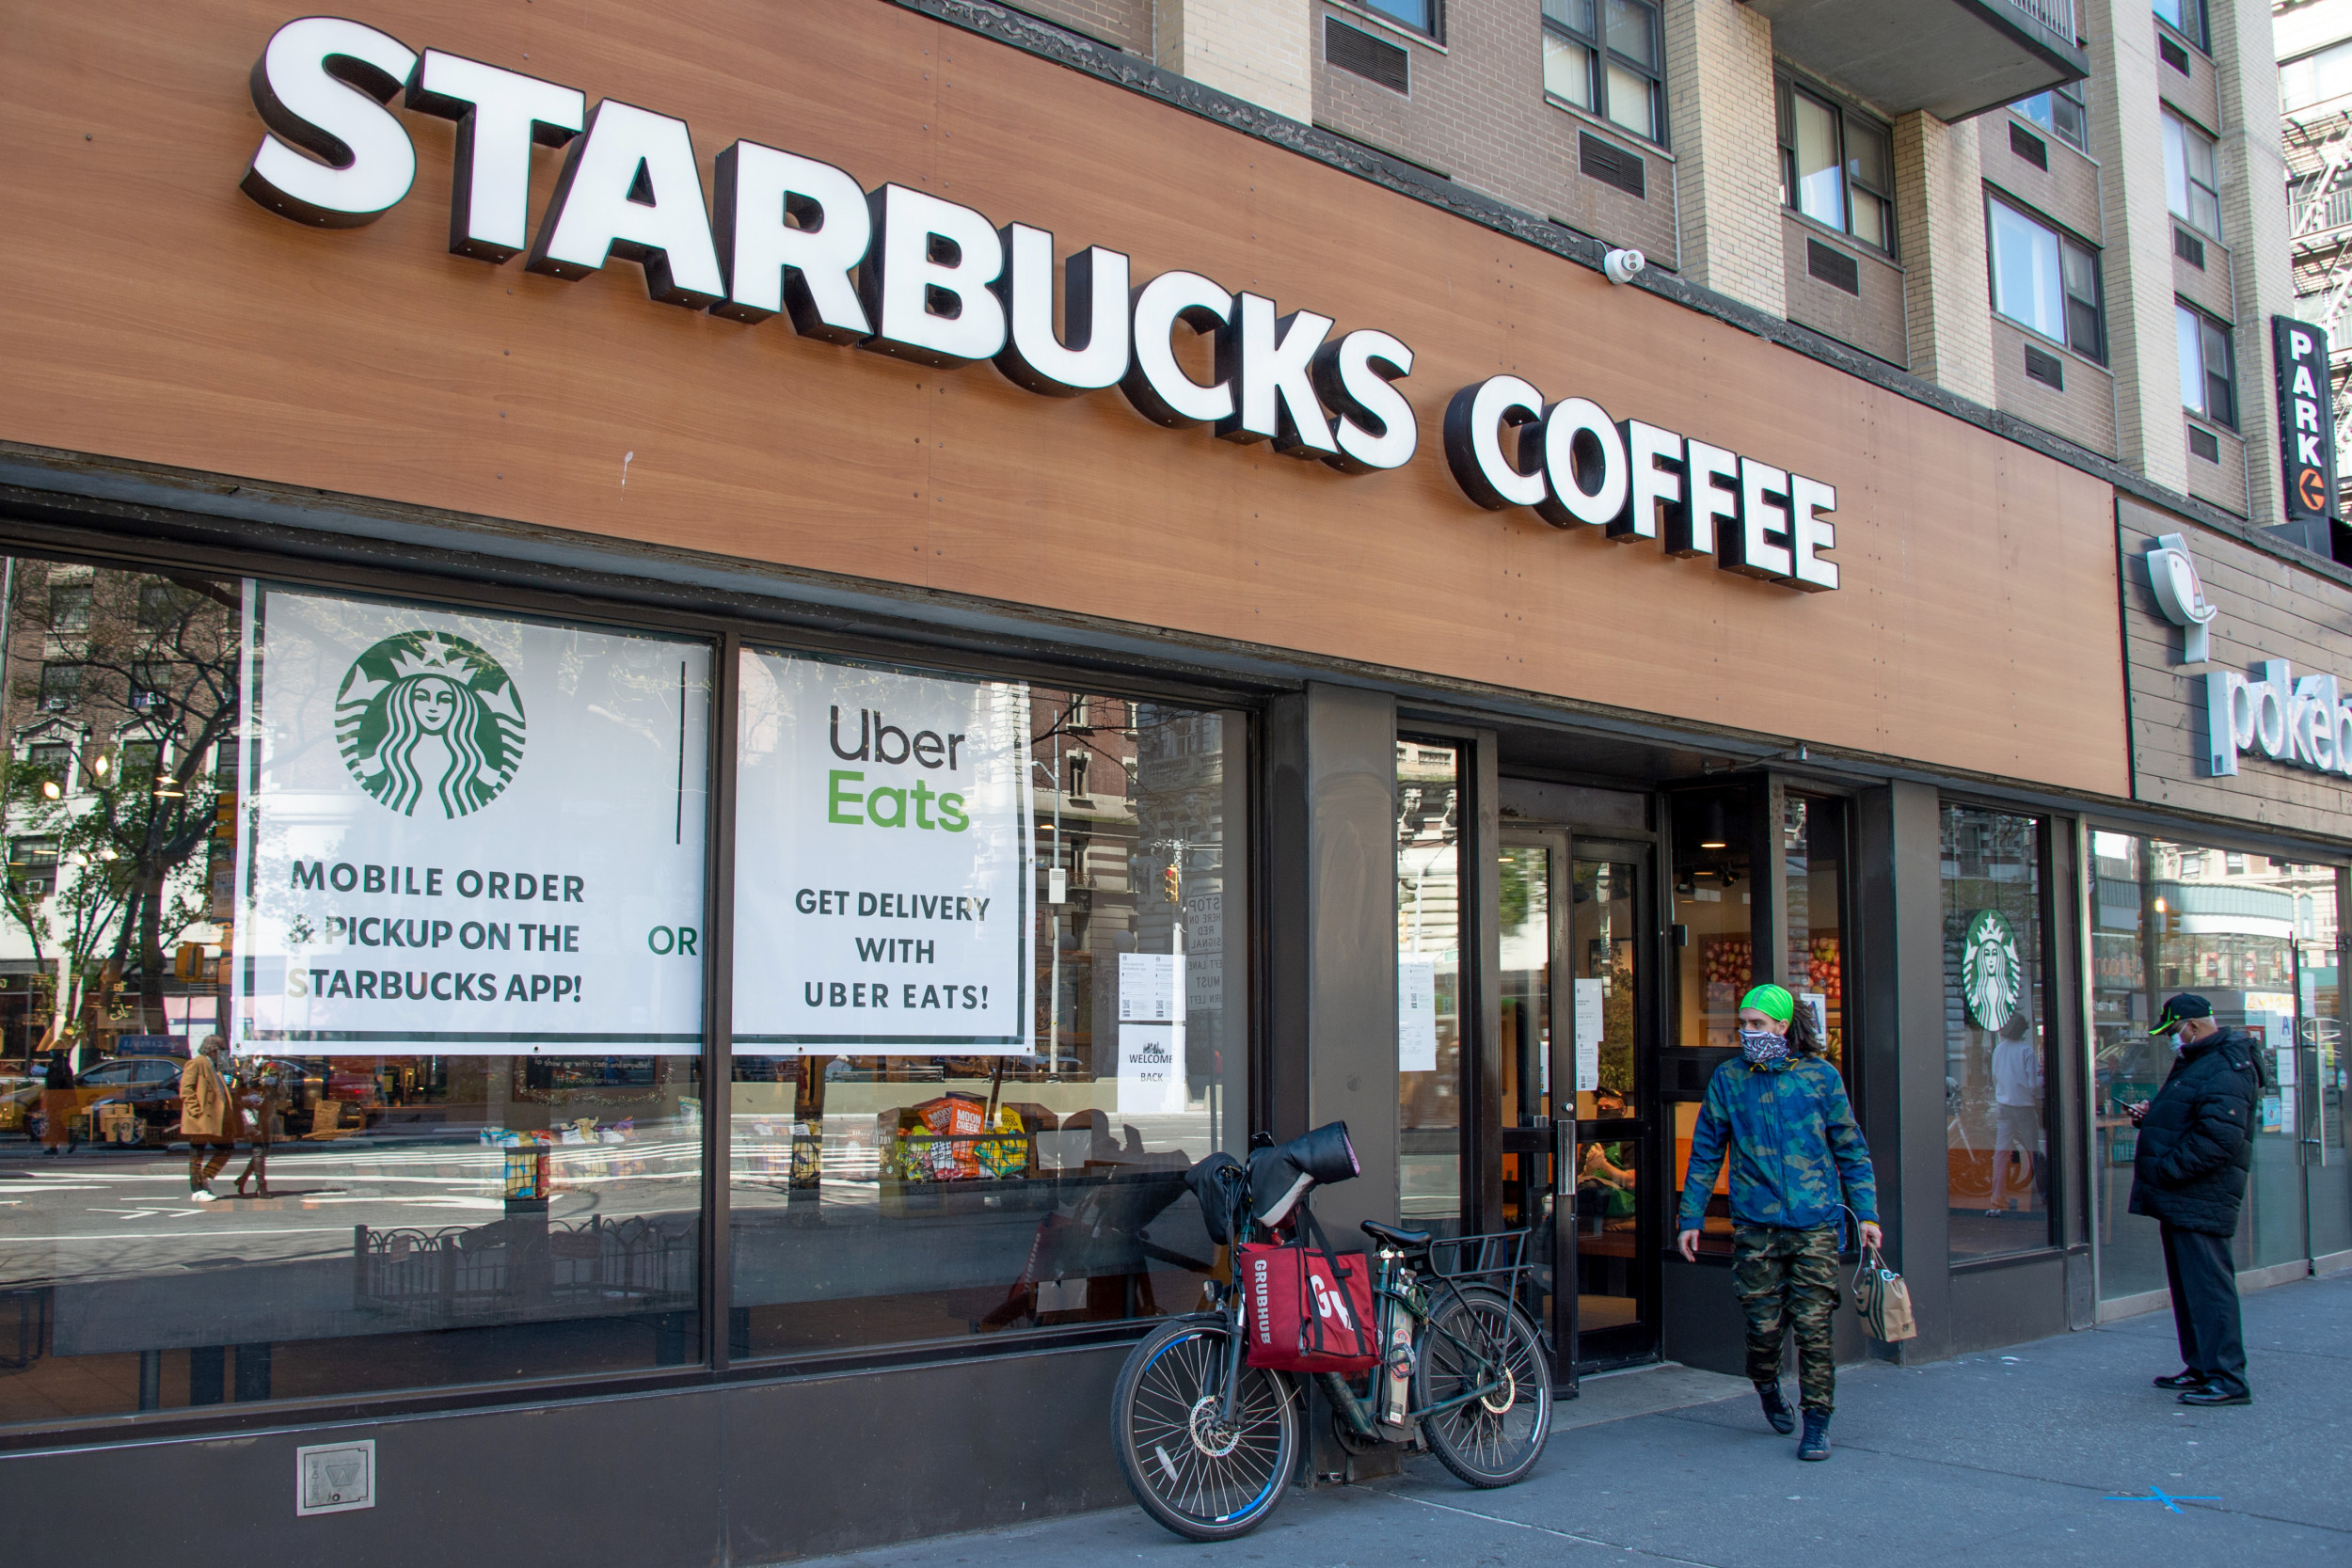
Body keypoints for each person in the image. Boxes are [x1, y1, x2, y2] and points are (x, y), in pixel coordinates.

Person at [1677, 984, 1880, 1462]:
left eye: (1757, 1025)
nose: (1747, 1033)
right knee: (1763, 1329)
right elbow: (1706, 1151)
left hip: (1815, 1225)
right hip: (1756, 1226)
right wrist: (1692, 1217)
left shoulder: (1821, 1078)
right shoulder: (1729, 1079)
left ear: (1783, 1027)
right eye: (1743, 1024)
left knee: (1813, 1328)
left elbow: (1851, 1149)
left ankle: (1817, 1424)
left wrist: (1867, 1213)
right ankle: (1766, 1385)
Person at [2127, 993, 2262, 1407]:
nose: (2172, 1039)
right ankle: (2202, 1366)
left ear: (2195, 1025)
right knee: (2189, 1287)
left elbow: (2220, 1138)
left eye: (2173, 1031)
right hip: (2185, 1195)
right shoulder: (2199, 1061)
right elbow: (2194, 1116)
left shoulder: (2225, 1065)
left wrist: (2167, 1169)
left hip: (2200, 1194)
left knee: (2208, 1286)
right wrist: (2155, 1116)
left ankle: (2227, 1377)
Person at [1988, 1012, 2042, 1216]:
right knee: (2032, 1149)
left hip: (2004, 1105)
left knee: (2000, 1153)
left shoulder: (1998, 1050)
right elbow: (2034, 1084)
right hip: (2024, 1106)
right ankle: (2042, 1192)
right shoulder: (2027, 1051)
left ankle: (1996, 1197)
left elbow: (1994, 1077)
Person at [178, 1035, 244, 1202]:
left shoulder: (214, 1066)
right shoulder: (197, 1063)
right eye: (221, 1050)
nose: (223, 1054)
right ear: (214, 1049)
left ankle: (204, 1178)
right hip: (201, 1119)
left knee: (226, 1147)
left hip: (214, 1118)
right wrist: (196, 1111)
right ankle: (197, 1190)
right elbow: (186, 1089)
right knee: (196, 1154)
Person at [38, 1043, 74, 1156]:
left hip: (56, 1097)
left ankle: (59, 1144)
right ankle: (68, 1139)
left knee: (54, 1121)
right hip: (57, 1097)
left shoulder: (58, 1064)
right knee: (55, 1121)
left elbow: (57, 1082)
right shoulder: (62, 1063)